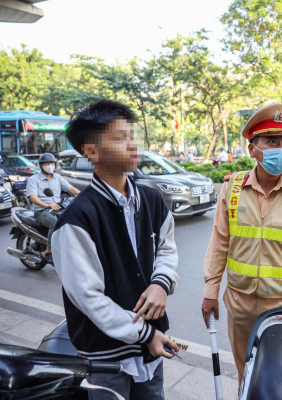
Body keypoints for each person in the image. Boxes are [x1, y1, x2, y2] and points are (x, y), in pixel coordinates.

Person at [53, 99, 180, 400]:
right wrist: (146, 335)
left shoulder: (151, 200)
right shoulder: (76, 219)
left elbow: (167, 249)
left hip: (152, 348)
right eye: (119, 137)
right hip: (106, 358)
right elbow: (89, 298)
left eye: (131, 135)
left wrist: (161, 284)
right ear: (91, 151)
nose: (132, 144)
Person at [201, 103, 282, 387]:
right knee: (246, 376)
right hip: (240, 304)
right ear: (252, 149)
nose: (281, 148)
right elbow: (219, 242)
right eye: (271, 141)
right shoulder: (232, 187)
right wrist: (211, 291)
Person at [26, 153, 80, 263]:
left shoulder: (58, 177)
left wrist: (86, 196)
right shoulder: (34, 179)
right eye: (46, 163)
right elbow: (33, 198)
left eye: (51, 163)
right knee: (55, 223)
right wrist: (47, 205)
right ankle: (48, 251)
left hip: (57, 207)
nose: (49, 165)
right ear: (41, 165)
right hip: (41, 211)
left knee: (75, 219)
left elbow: (71, 189)